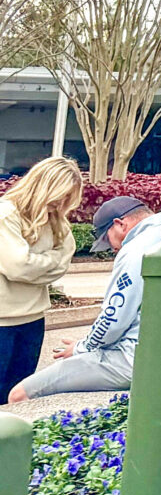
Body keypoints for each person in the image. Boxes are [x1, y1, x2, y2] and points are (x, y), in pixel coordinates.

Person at [8, 193, 161, 403]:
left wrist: (81, 347)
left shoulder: (136, 250)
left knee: (19, 393)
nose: (113, 249)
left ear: (119, 224)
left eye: (107, 240)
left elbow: (113, 320)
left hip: (137, 360)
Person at [0, 157, 81, 399]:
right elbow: (18, 267)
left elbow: (62, 264)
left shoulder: (56, 220)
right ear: (44, 185)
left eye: (68, 197)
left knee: (17, 398)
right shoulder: (6, 215)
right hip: (2, 321)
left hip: (34, 319)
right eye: (61, 194)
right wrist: (49, 260)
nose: (62, 203)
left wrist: (34, 265)